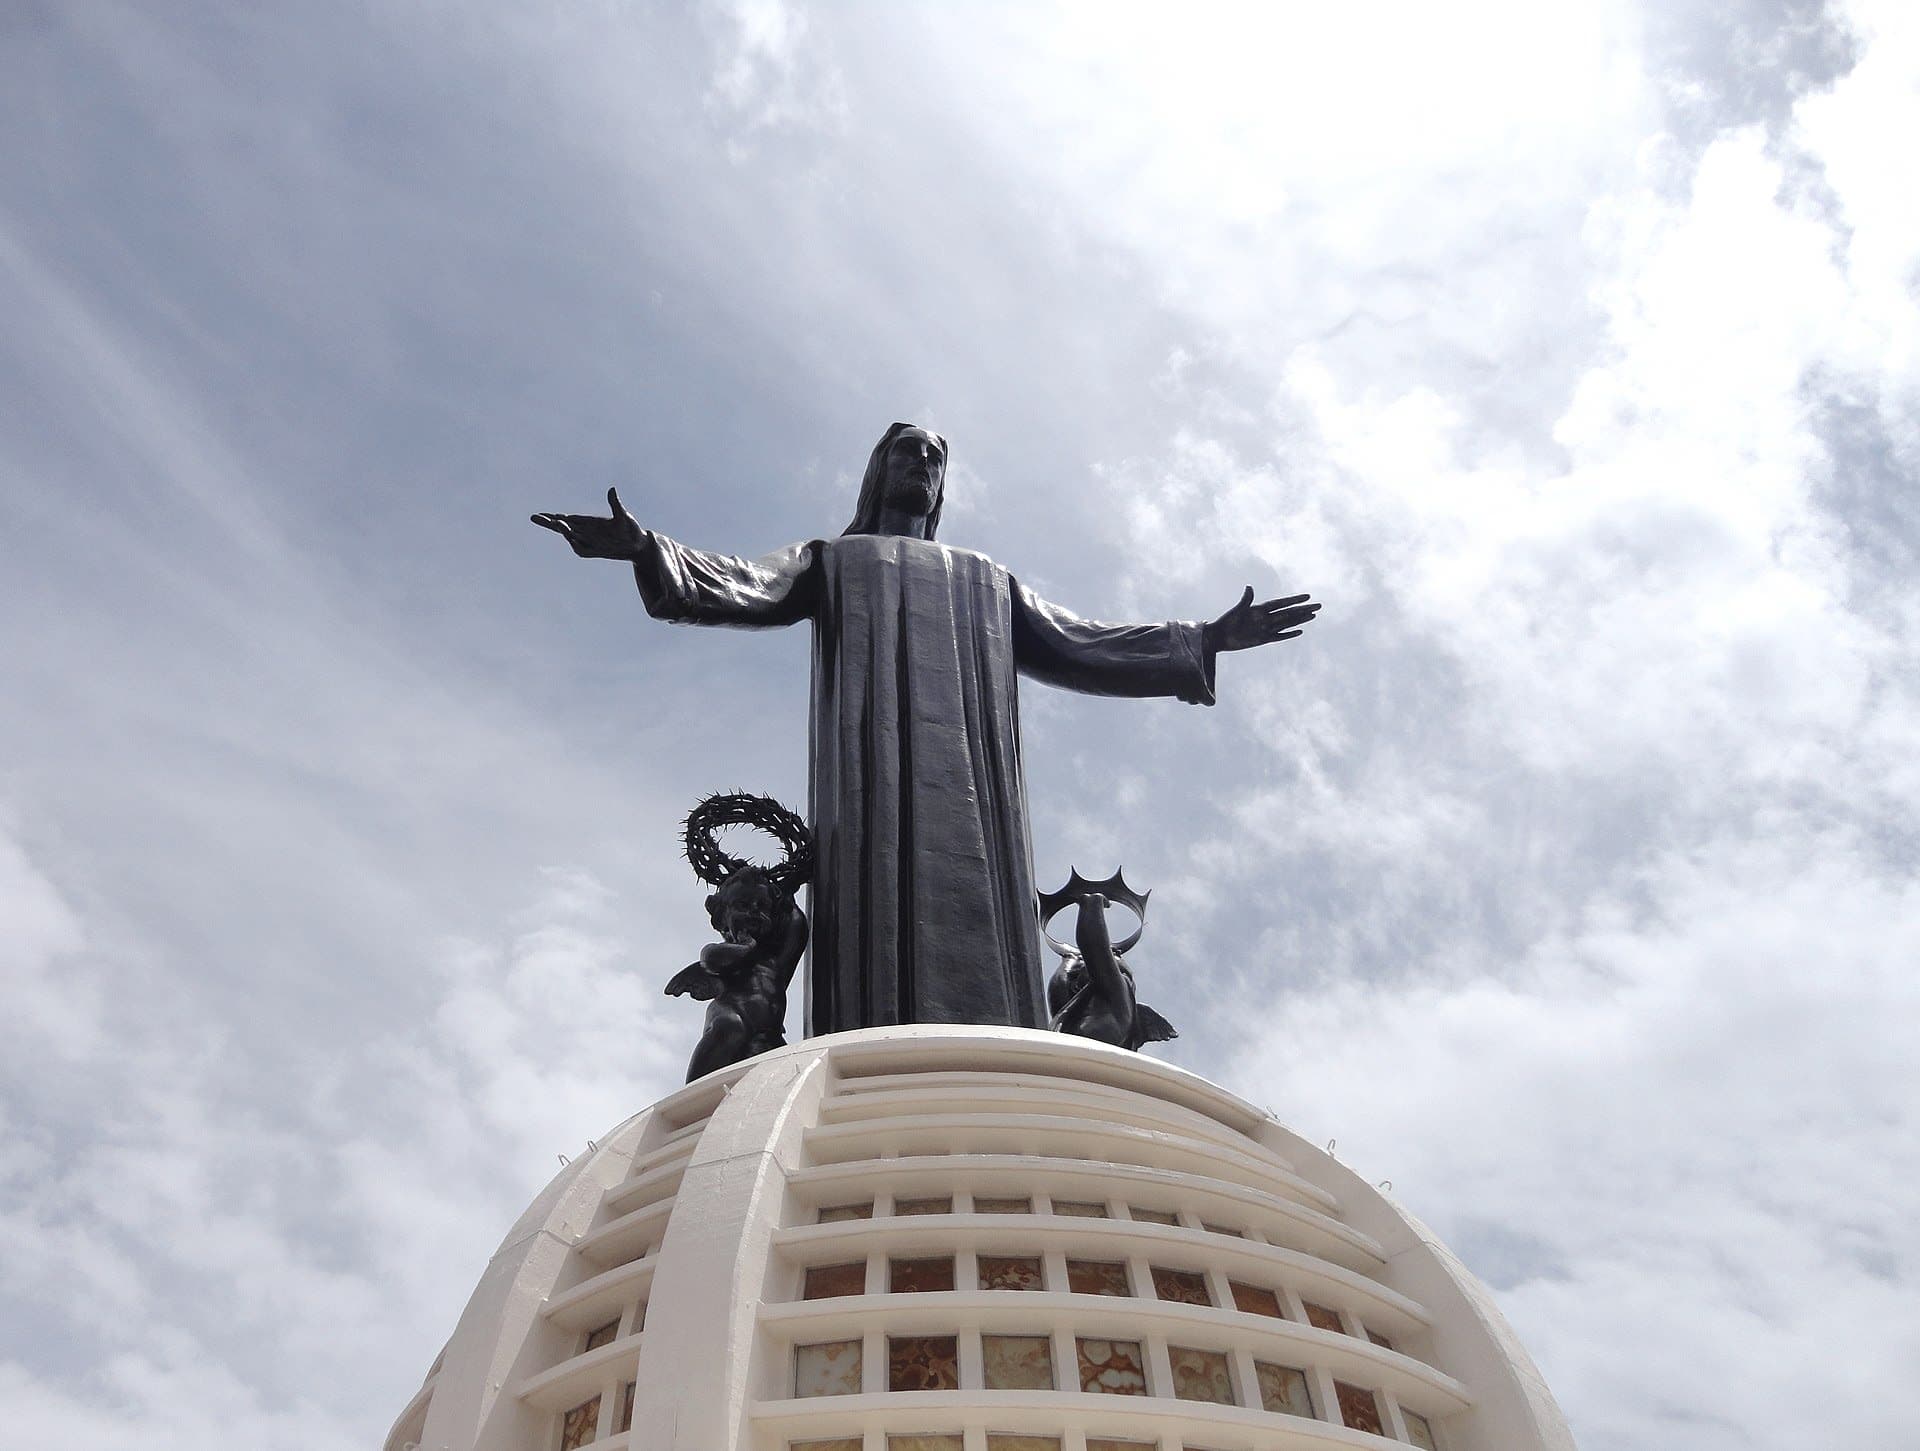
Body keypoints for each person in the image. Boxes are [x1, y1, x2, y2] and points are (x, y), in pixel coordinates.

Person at [533, 423, 1319, 1036]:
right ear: (880, 472)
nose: (922, 466)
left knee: (981, 906)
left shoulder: (987, 581)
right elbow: (747, 582)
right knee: (880, 918)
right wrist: (648, 550)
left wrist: (1201, 640)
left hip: (979, 808)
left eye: (934, 460)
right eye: (907, 453)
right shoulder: (835, 560)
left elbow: (1085, 640)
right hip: (869, 790)